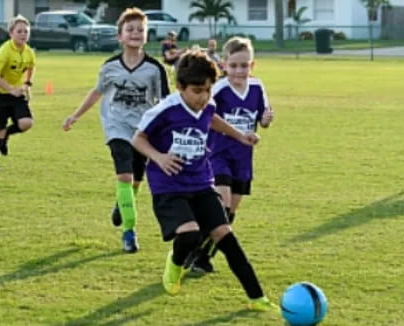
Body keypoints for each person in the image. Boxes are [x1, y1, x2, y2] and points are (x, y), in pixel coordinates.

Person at [132, 50, 275, 311]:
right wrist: (160, 157)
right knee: (189, 234)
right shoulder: (165, 110)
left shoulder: (207, 105)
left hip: (200, 182)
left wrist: (241, 136)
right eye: (197, 91)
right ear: (180, 87)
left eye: (208, 90)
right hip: (169, 185)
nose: (204, 97)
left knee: (227, 238)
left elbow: (213, 120)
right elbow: (138, 139)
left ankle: (258, 299)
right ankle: (175, 265)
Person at [62, 8, 169, 253]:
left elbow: (164, 103)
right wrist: (75, 115)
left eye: (140, 30)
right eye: (130, 30)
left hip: (143, 132)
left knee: (136, 181)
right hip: (116, 127)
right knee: (125, 175)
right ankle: (129, 233)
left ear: (146, 35)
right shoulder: (109, 67)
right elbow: (96, 92)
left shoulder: (155, 69)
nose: (135, 34)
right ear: (120, 36)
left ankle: (122, 205)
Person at [189, 37, 274, 274]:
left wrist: (265, 121)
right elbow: (205, 115)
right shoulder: (220, 89)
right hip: (218, 154)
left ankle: (202, 254)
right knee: (222, 203)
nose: (239, 70)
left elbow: (262, 118)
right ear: (224, 65)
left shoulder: (257, 87)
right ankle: (196, 253)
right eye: (234, 65)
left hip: (243, 158)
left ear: (252, 65)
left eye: (244, 65)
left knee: (231, 210)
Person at [0, 14, 36, 171]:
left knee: (26, 123)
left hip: (15, 94)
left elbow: (31, 66)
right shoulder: (5, 51)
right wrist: (10, 89)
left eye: (26, 31)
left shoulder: (28, 51)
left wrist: (27, 84)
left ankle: (6, 134)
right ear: (11, 33)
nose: (23, 34)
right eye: (19, 31)